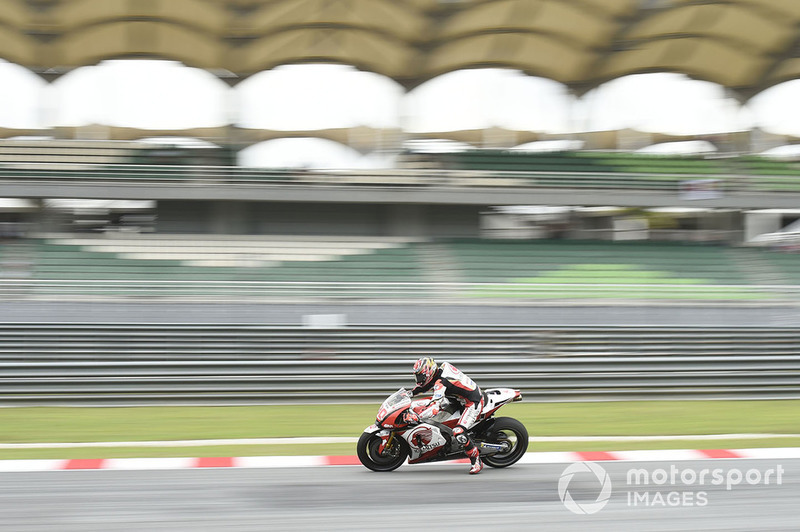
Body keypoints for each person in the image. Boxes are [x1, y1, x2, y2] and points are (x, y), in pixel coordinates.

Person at [408, 357, 484, 474]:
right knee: (439, 422)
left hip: (472, 402)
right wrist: (409, 393)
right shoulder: (439, 372)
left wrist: (417, 417)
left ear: (429, 373)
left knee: (458, 432)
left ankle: (476, 459)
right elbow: (427, 385)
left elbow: (435, 406)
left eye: (421, 376)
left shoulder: (441, 382)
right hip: (457, 400)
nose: (418, 379)